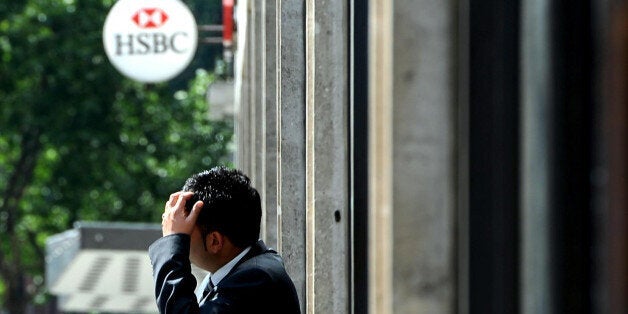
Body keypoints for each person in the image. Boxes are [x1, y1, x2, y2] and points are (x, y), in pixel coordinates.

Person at [148, 166, 301, 313]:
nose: (180, 242)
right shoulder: (243, 273)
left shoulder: (256, 281)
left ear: (214, 241)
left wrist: (170, 243)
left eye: (184, 232)